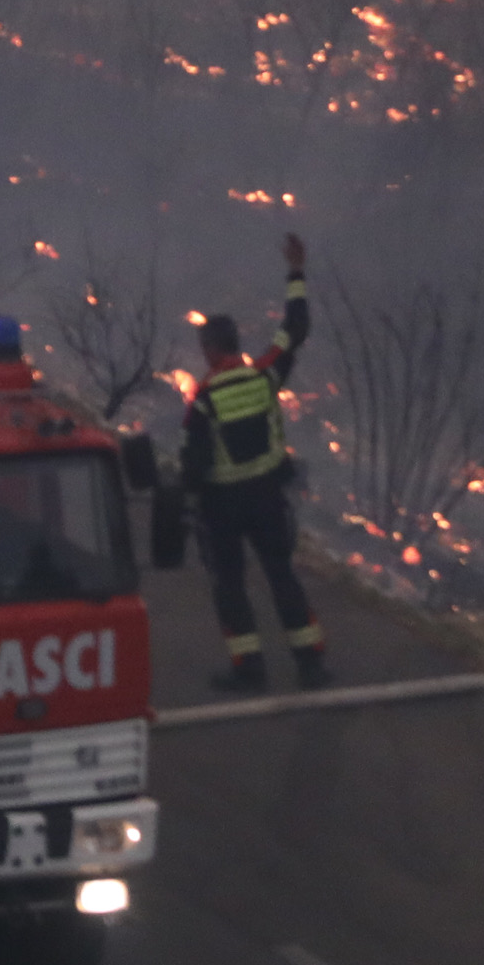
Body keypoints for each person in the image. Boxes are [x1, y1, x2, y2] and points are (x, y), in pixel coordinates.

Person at [181, 233, 325, 692]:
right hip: (268, 497)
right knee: (282, 576)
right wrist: (296, 272)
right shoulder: (265, 375)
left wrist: (183, 496)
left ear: (208, 350)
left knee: (230, 586)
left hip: (223, 509)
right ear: (236, 343)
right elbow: (295, 329)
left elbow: (196, 464)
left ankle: (249, 669)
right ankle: (310, 664)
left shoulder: (204, 401)